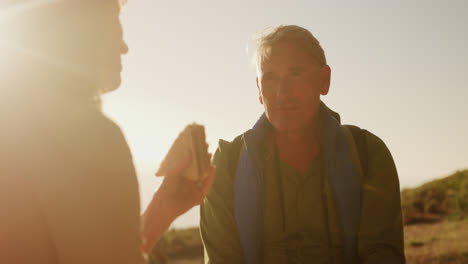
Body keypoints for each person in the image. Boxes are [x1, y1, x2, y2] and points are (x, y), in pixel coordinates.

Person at [0, 1, 214, 263]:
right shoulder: (89, 137)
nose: (124, 46)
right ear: (82, 25)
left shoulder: (17, 125)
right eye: (115, 20)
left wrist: (163, 209)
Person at [200, 25, 405, 263]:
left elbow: (382, 255)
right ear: (258, 89)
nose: (281, 92)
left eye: (295, 74)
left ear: (324, 80)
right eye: (270, 77)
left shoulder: (368, 154)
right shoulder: (226, 165)